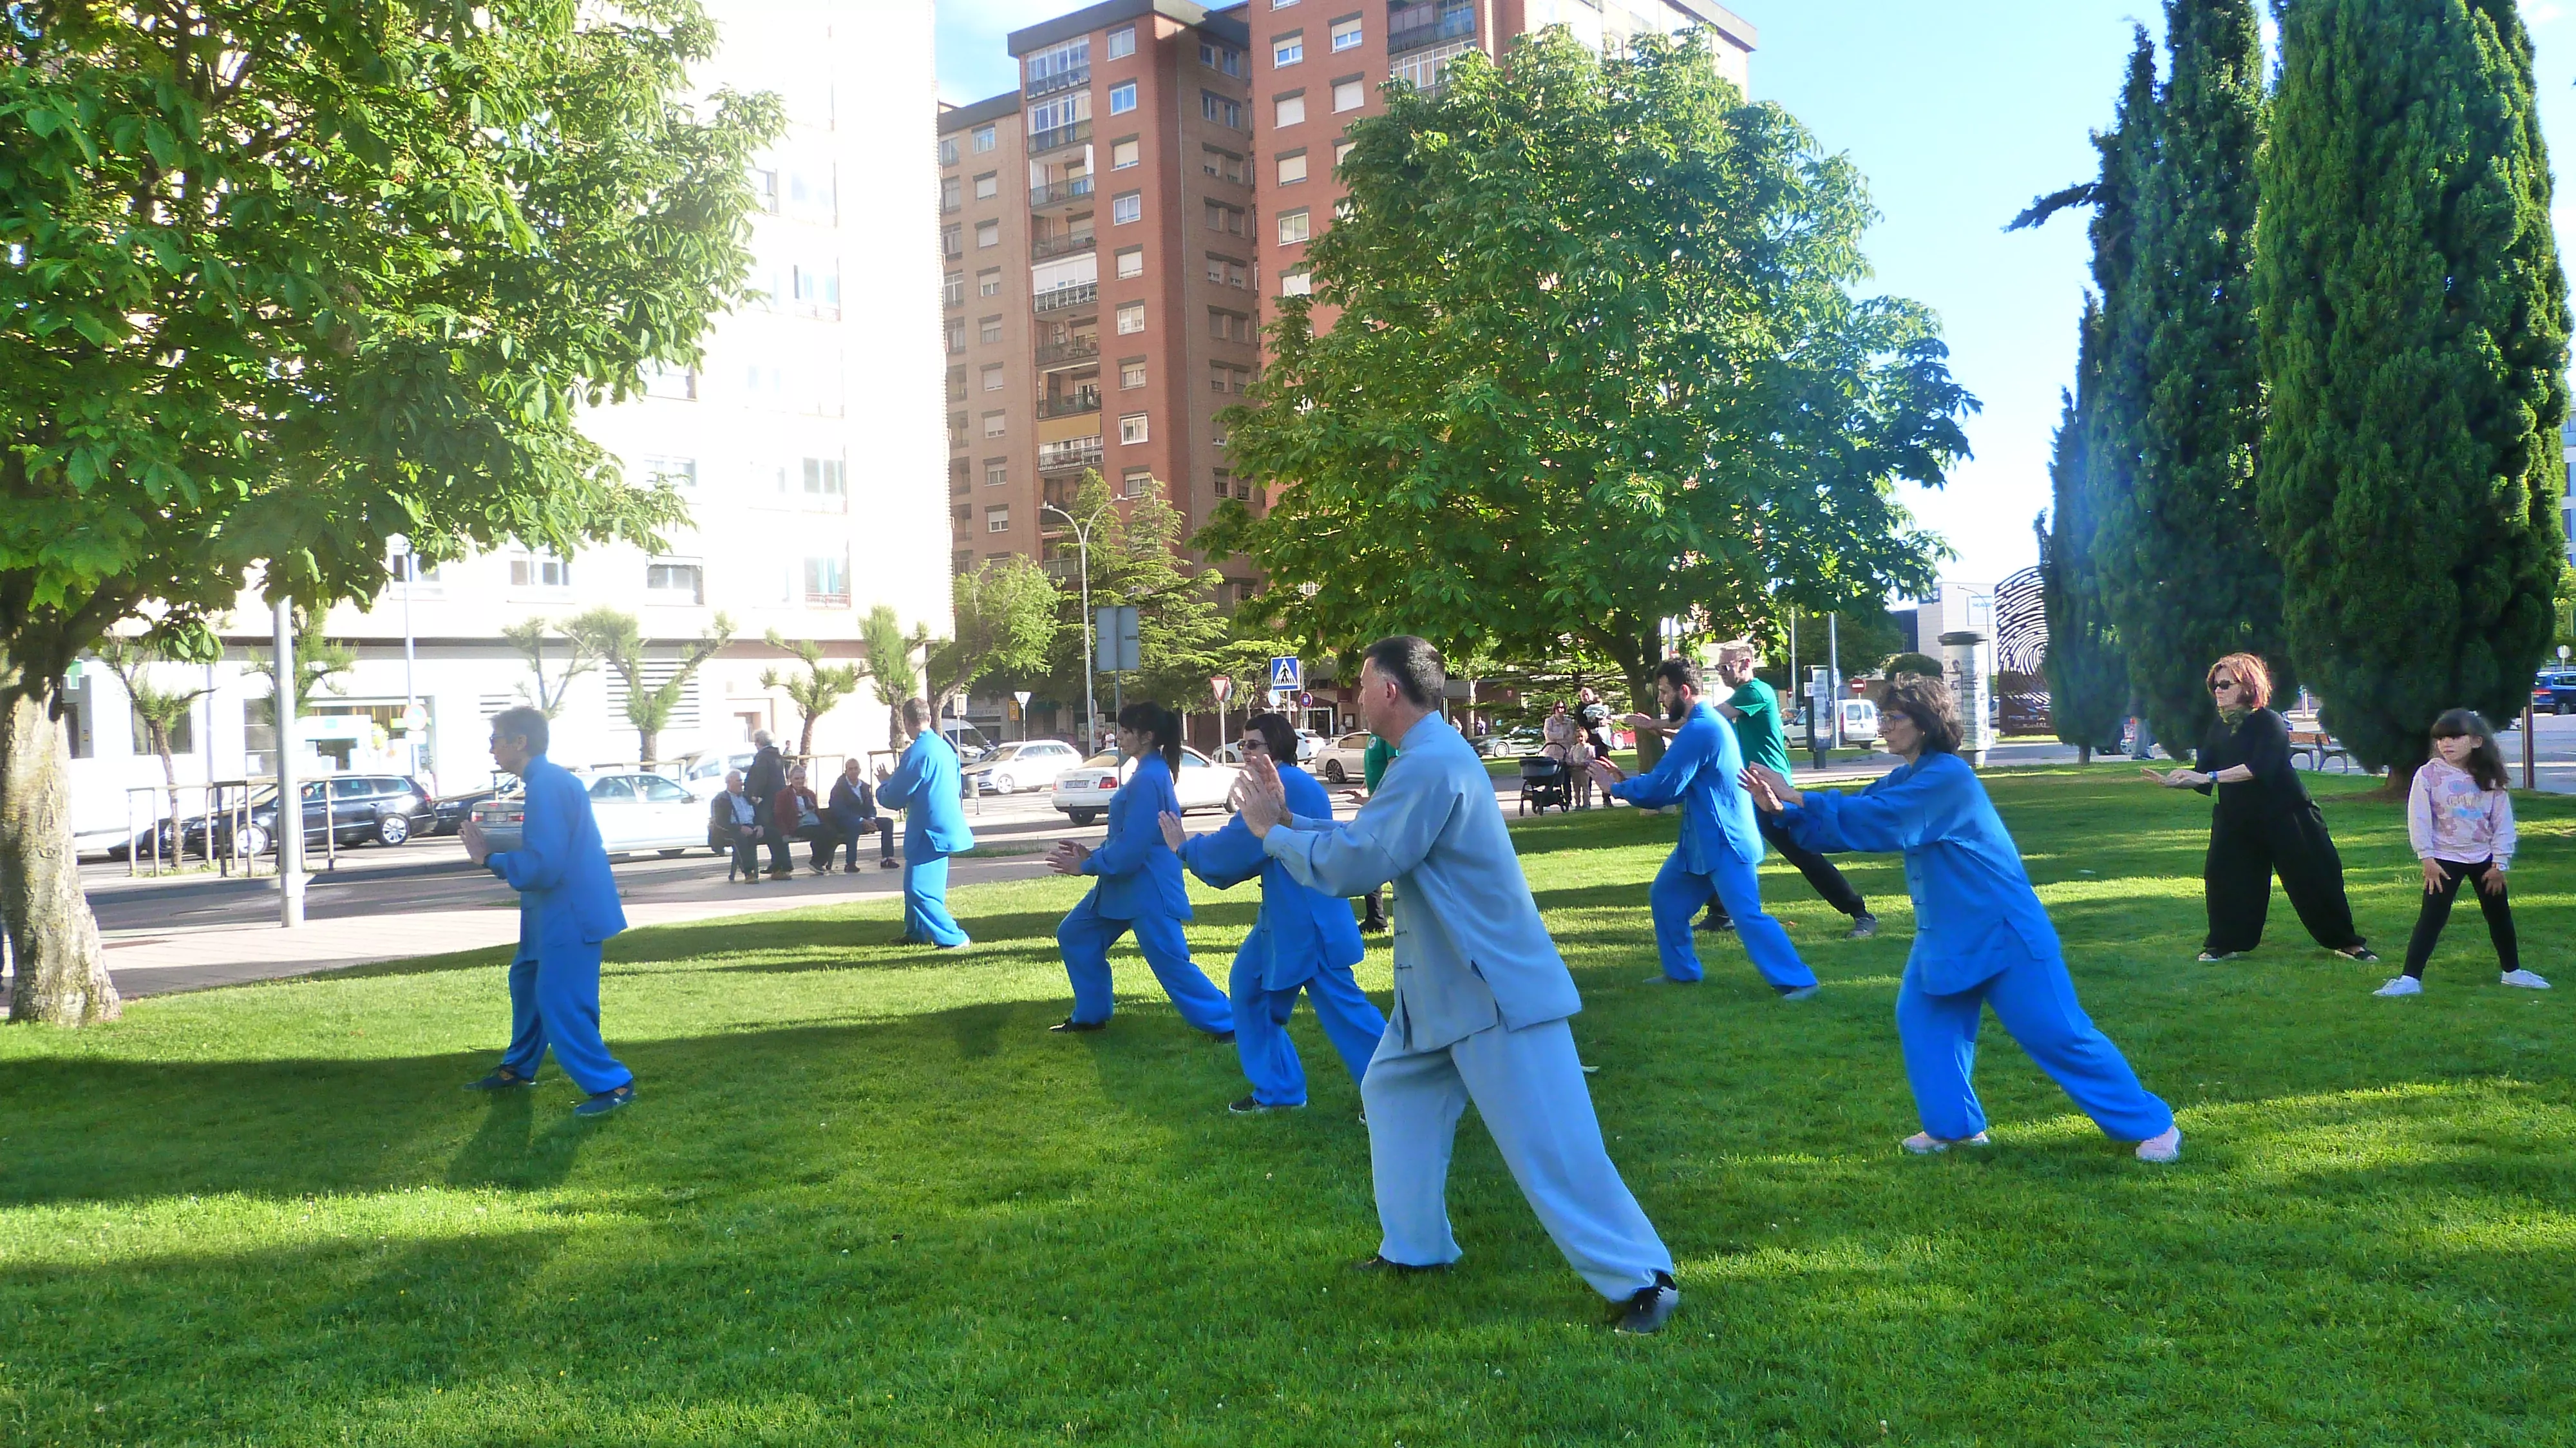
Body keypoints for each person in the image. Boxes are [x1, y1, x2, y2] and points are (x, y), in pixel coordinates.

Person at [1239, 636, 1680, 1335]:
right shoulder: (1426, 758)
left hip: (1492, 991)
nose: (1353, 694)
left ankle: (1645, 1281)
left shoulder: (1431, 762)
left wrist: (1272, 833)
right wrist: (1291, 821)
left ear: (1389, 690)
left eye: (1360, 681)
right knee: (1392, 1091)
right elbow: (1380, 843)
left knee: (1554, 1147)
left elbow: (1359, 864)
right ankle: (1415, 1249)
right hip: (1444, 992)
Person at [1745, 676, 2179, 1162]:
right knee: (1924, 1022)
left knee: (2058, 1034)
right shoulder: (1908, 775)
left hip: (2004, 931)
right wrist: (1783, 810)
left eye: (1894, 718)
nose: (1884, 727)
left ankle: (2153, 1124)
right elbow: (1858, 819)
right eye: (1884, 717)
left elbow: (1886, 817)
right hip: (1947, 934)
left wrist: (1799, 796)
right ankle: (1954, 1128)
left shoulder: (1948, 776)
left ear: (1927, 724)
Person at [1161, 711, 1388, 1112]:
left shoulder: (1285, 786)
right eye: (1242, 745)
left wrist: (1183, 846)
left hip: (1308, 920)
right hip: (1285, 919)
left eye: (1253, 745)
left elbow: (1235, 850)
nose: (1243, 752)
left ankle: (1399, 1098)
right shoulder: (1287, 783)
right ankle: (1279, 1092)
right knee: (1249, 988)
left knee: (1346, 1011)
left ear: (1277, 747)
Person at [1589, 658, 1817, 995]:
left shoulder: (1702, 728)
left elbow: (1663, 787)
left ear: (1685, 690)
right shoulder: (1702, 723)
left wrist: (1617, 789)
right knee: (1666, 897)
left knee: (1747, 916)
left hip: (1726, 840)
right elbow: (1676, 783)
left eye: (1665, 692)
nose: (1662, 700)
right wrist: (1630, 783)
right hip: (1699, 840)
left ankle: (1800, 982)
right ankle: (1682, 972)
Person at [459, 707, 636, 1116]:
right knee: (526, 982)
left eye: (496, 740)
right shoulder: (545, 782)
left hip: (570, 911)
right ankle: (518, 1069)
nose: (492, 750)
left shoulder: (548, 785)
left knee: (562, 999)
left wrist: (489, 858)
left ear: (520, 742)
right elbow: (546, 852)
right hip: (551, 911)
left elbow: (544, 864)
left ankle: (614, 1085)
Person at [2145, 654, 2376, 964]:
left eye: (2226, 684)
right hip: (2237, 818)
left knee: (2316, 879)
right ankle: (2223, 944)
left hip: (2288, 815)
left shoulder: (2270, 722)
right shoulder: (2219, 727)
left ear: (2248, 686)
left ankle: (2347, 942)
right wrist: (2178, 780)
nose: (2218, 691)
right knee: (2225, 878)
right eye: (2215, 685)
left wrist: (2208, 776)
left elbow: (2258, 768)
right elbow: (2205, 772)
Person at [1045, 701, 1235, 1037]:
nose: (1118, 736)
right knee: (1076, 934)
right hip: (1124, 887)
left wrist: (1088, 865)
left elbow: (1134, 848)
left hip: (1147, 889)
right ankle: (1091, 1016)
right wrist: (1094, 854)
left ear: (1147, 736)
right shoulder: (1149, 772)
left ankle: (1230, 1023)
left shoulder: (1149, 777)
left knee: (1171, 963)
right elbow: (1128, 837)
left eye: (1126, 731)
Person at [1690, 640, 1877, 940]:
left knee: (1802, 852)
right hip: (1746, 787)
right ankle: (1721, 913)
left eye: (1725, 667)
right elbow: (1704, 730)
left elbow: (1706, 720)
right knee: (1721, 842)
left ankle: (1861, 913)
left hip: (1770, 788)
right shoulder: (1742, 696)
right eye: (1719, 667)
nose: (1722, 672)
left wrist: (1657, 724)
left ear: (1746, 664)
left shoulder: (1755, 692)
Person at [2378, 709, 2550, 996]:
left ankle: (2513, 972)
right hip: (2443, 861)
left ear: (2477, 741)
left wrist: (2500, 863)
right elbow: (2419, 818)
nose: (2447, 744)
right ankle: (2410, 979)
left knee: (2499, 915)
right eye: (2441, 738)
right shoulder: (2428, 774)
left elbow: (2502, 822)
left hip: (2485, 860)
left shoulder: (2490, 777)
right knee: (2432, 918)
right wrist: (2427, 858)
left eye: (2455, 737)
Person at [878, 698, 975, 948]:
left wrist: (884, 785)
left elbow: (894, 797)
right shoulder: (944, 747)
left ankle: (954, 938)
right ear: (929, 718)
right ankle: (915, 932)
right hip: (945, 825)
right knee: (922, 883)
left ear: (907, 722)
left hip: (928, 830)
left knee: (918, 888)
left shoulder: (917, 752)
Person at [829, 757, 898, 873]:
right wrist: (861, 820)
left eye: (856, 769)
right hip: (846, 821)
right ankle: (850, 863)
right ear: (846, 771)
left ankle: (887, 859)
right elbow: (839, 810)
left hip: (865, 820)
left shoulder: (864, 787)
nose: (854, 771)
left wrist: (871, 819)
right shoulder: (839, 788)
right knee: (854, 827)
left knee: (888, 823)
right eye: (850, 769)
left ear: (860, 770)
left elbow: (871, 807)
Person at [743, 730, 789, 878]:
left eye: (756, 742)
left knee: (769, 830)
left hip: (768, 801)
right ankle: (781, 863)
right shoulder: (776, 755)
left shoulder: (763, 757)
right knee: (777, 832)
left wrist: (753, 795)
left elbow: (759, 778)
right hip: (779, 798)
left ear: (759, 742)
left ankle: (779, 865)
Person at [711, 769, 769, 884]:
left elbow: (758, 814)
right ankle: (749, 872)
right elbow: (721, 822)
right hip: (730, 830)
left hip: (751, 826)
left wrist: (760, 825)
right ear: (729, 782)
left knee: (775, 833)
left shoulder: (746, 797)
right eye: (739, 781)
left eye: (742, 780)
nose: (742, 784)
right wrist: (740, 828)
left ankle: (781, 868)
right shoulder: (721, 799)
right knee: (741, 839)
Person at [772, 763, 831, 875]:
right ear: (790, 779)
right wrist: (784, 833)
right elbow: (779, 815)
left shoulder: (810, 794)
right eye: (797, 779)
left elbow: (817, 811)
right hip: (797, 824)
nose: (800, 781)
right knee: (820, 833)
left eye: (802, 778)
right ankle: (816, 862)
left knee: (830, 832)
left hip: (814, 822)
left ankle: (818, 861)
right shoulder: (783, 795)